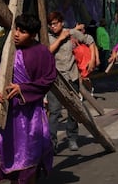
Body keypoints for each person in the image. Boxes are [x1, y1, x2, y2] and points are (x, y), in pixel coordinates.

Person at [0, 13, 56, 184]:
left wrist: (23, 88)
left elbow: (48, 78)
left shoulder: (42, 53)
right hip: (8, 112)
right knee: (8, 150)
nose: (17, 34)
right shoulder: (7, 48)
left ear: (33, 35)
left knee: (29, 155)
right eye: (16, 29)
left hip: (30, 114)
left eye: (23, 31)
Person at [46, 11, 96, 152]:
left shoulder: (72, 33)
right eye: (50, 24)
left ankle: (72, 138)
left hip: (71, 77)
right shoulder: (47, 36)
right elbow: (47, 52)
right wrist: (60, 39)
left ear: (61, 23)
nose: (52, 27)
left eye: (55, 23)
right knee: (54, 111)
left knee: (73, 110)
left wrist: (92, 59)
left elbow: (89, 40)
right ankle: (52, 141)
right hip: (55, 79)